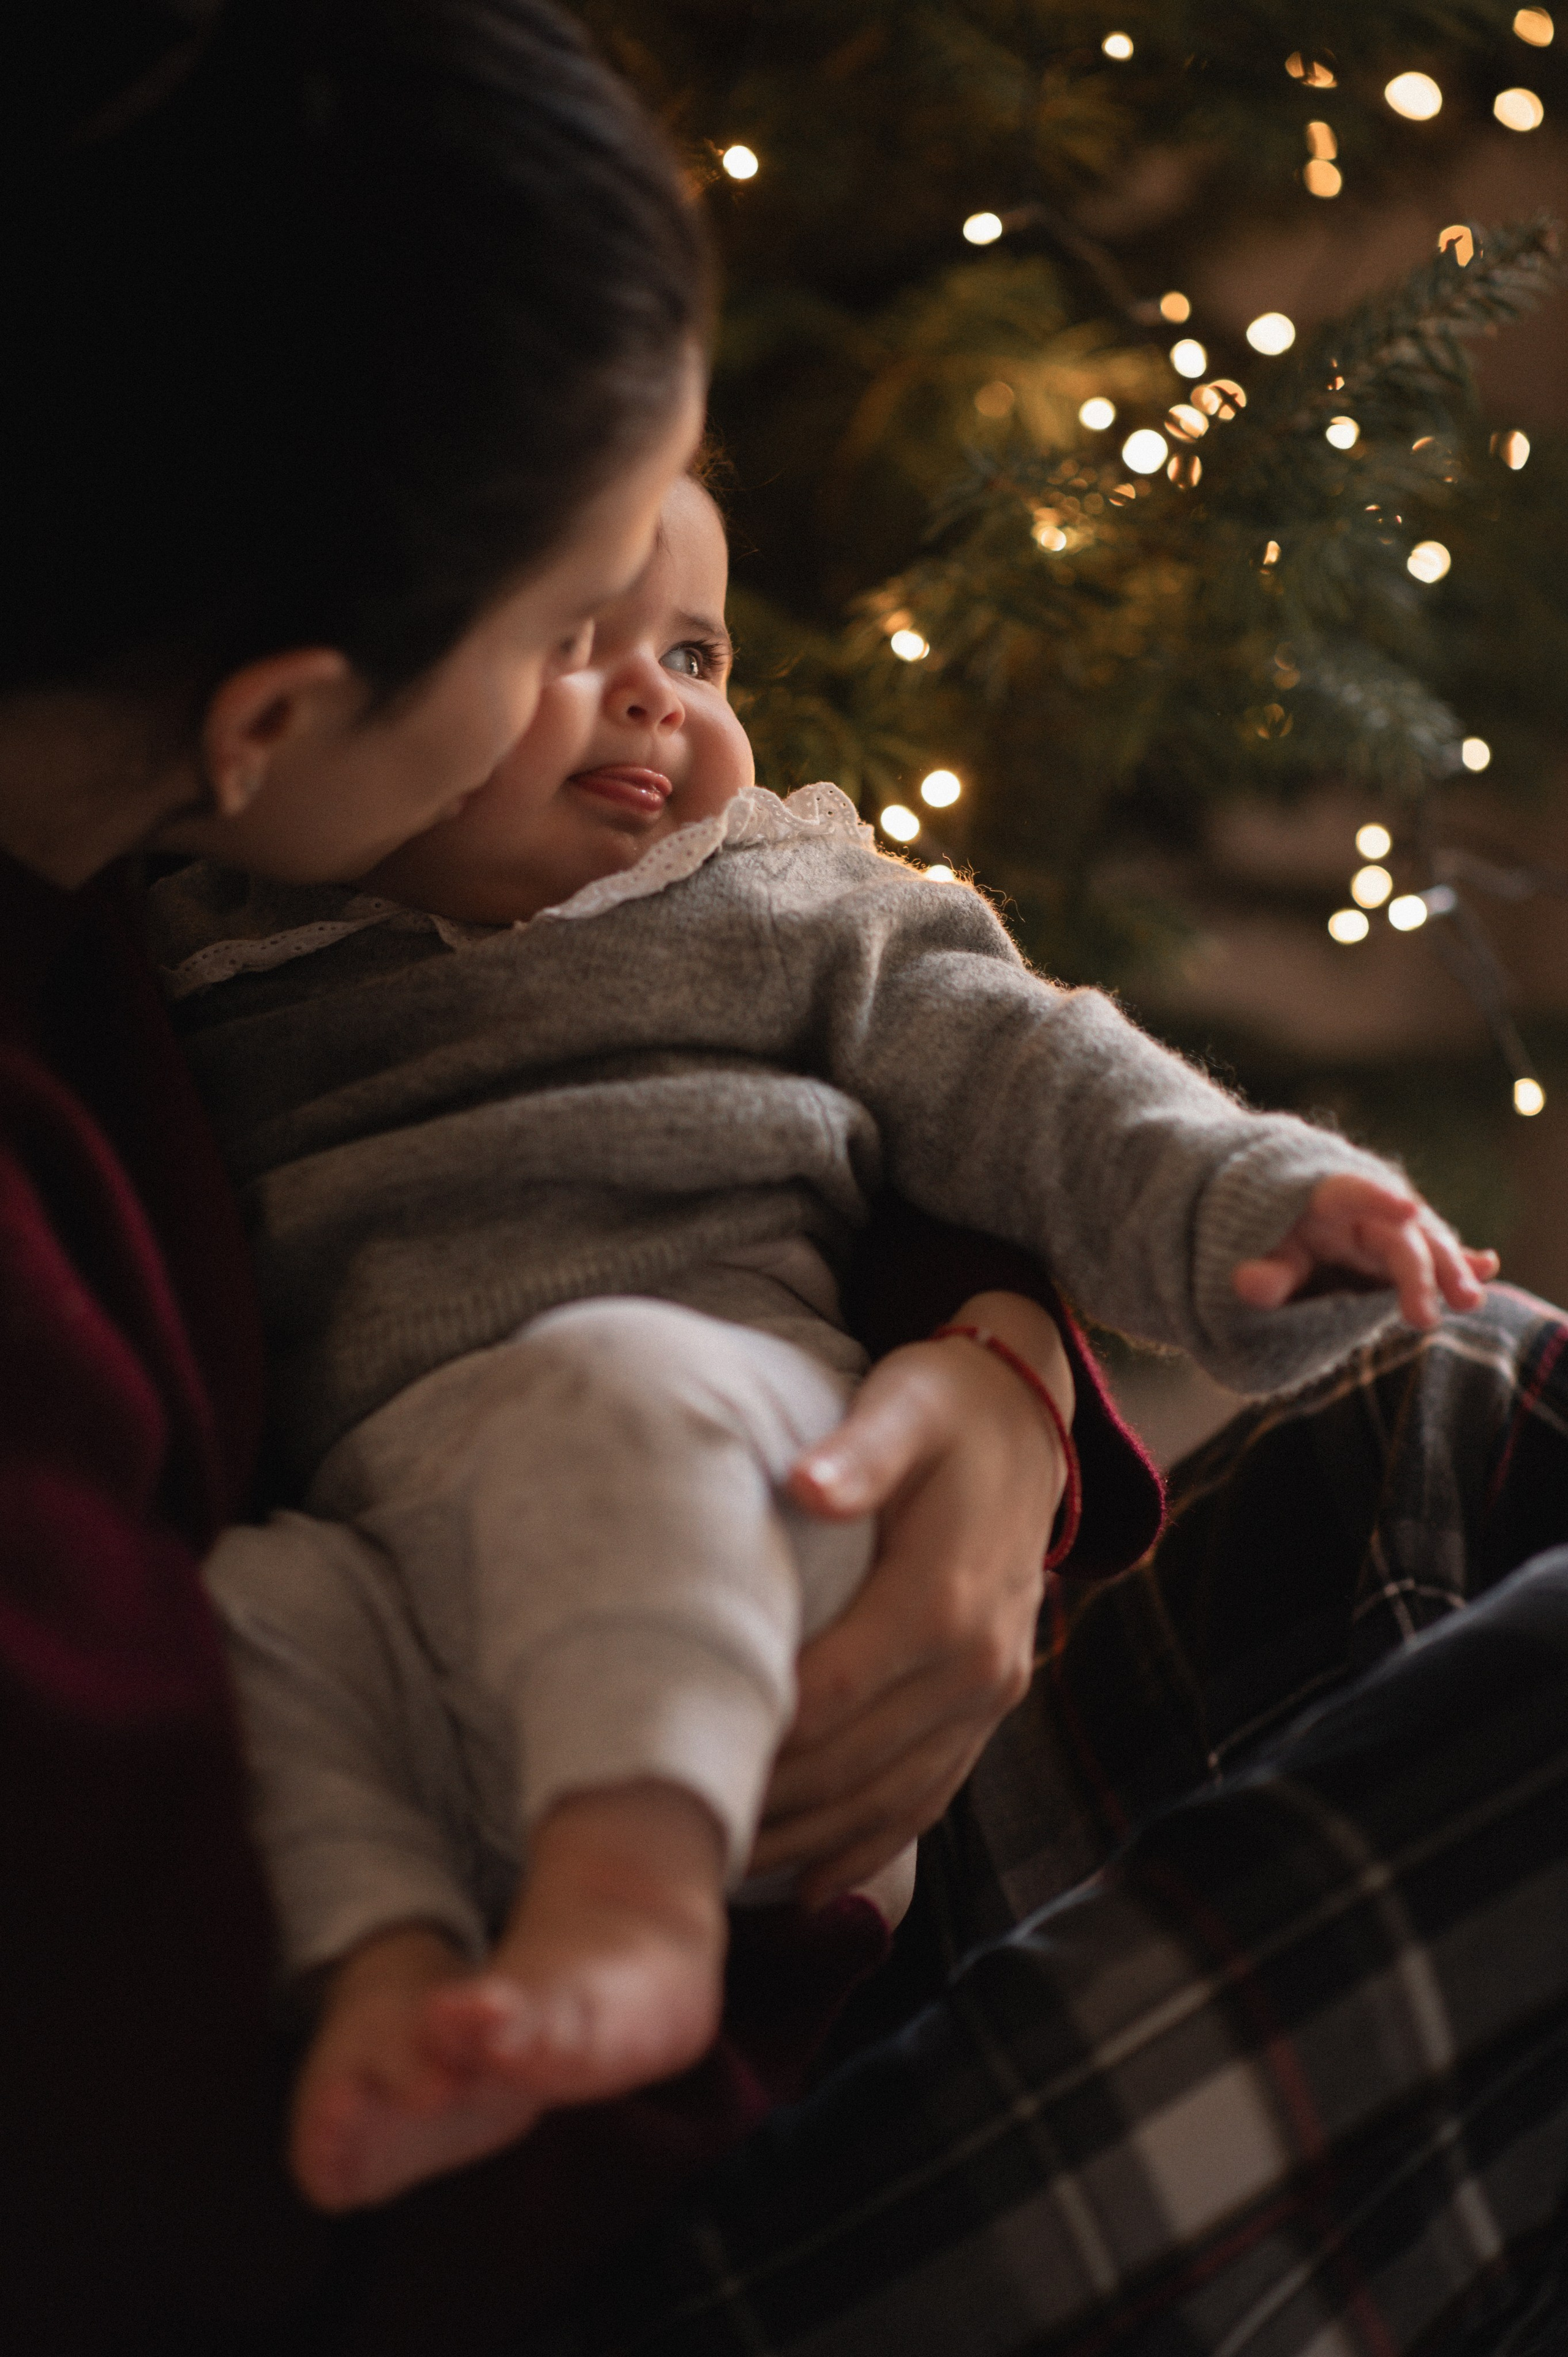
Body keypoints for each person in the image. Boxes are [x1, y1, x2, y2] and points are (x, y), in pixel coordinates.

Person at [1, 6, 1102, 2350]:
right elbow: (244, 2201)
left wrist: (1000, 1379)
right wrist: (756, 1899)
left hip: (727, 1721)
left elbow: (730, 1008)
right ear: (283, 722)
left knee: (1474, 1424)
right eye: (567, 629)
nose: (657, 717)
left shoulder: (140, 846)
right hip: (611, 2155)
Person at [149, 469, 1494, 2219]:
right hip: (425, 1584)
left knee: (609, 1393)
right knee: (253, 1610)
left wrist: (1257, 1200)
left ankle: (628, 1918)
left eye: (698, 651)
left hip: (757, 1503)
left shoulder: (778, 896)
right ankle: (400, 1986)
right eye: (579, 643)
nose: (663, 700)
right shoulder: (215, 966)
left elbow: (1035, 1071)